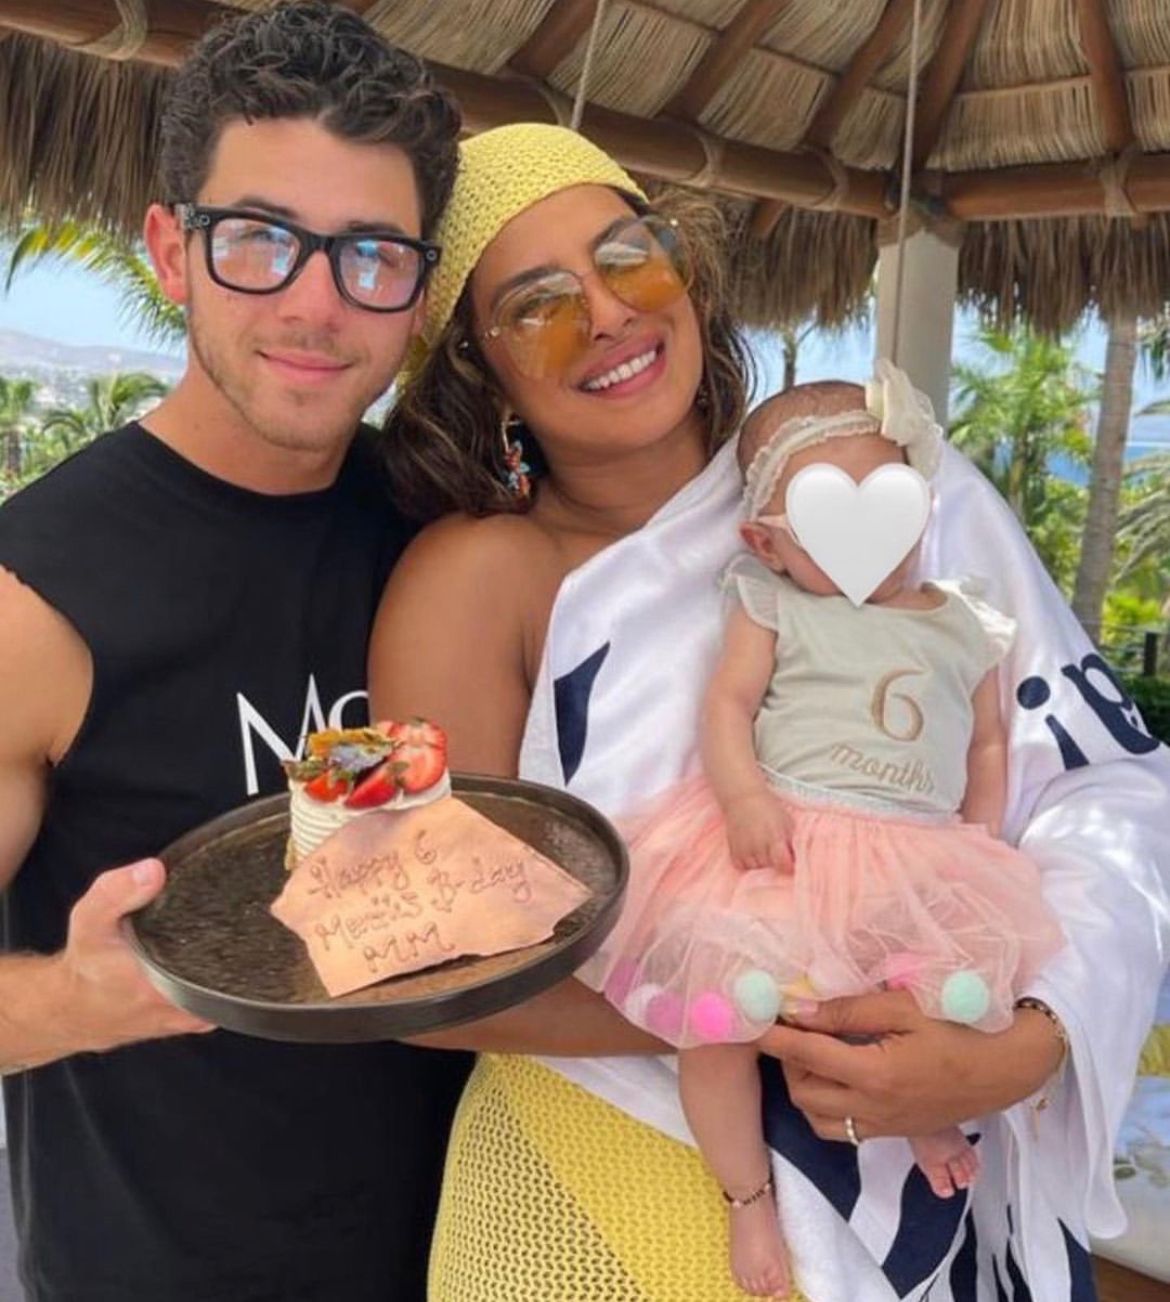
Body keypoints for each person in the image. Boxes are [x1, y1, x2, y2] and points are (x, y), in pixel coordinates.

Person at [372, 122, 1170, 1302]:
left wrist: (1020, 1048)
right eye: (538, 307)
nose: (609, 315)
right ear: (478, 373)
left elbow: (1107, 783)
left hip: (933, 1156)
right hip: (594, 1191)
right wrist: (759, 1005)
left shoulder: (890, 482)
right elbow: (417, 970)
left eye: (631, 259)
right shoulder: (478, 579)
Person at [0, 5, 474, 1299]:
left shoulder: (443, 534)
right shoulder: (38, 595)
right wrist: (79, 998)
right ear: (174, 250)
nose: (317, 304)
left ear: (417, 287)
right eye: (260, 238)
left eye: (370, 254)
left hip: (461, 1260)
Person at [579, 371, 1066, 1296]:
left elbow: (987, 738)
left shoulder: (965, 621)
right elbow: (728, 707)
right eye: (825, 519)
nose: (870, 543)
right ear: (765, 541)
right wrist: (743, 798)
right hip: (786, 843)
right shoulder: (773, 602)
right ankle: (746, 1195)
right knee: (716, 1023)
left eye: (891, 504)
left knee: (914, 1000)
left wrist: (978, 840)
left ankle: (919, 1113)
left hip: (914, 850)